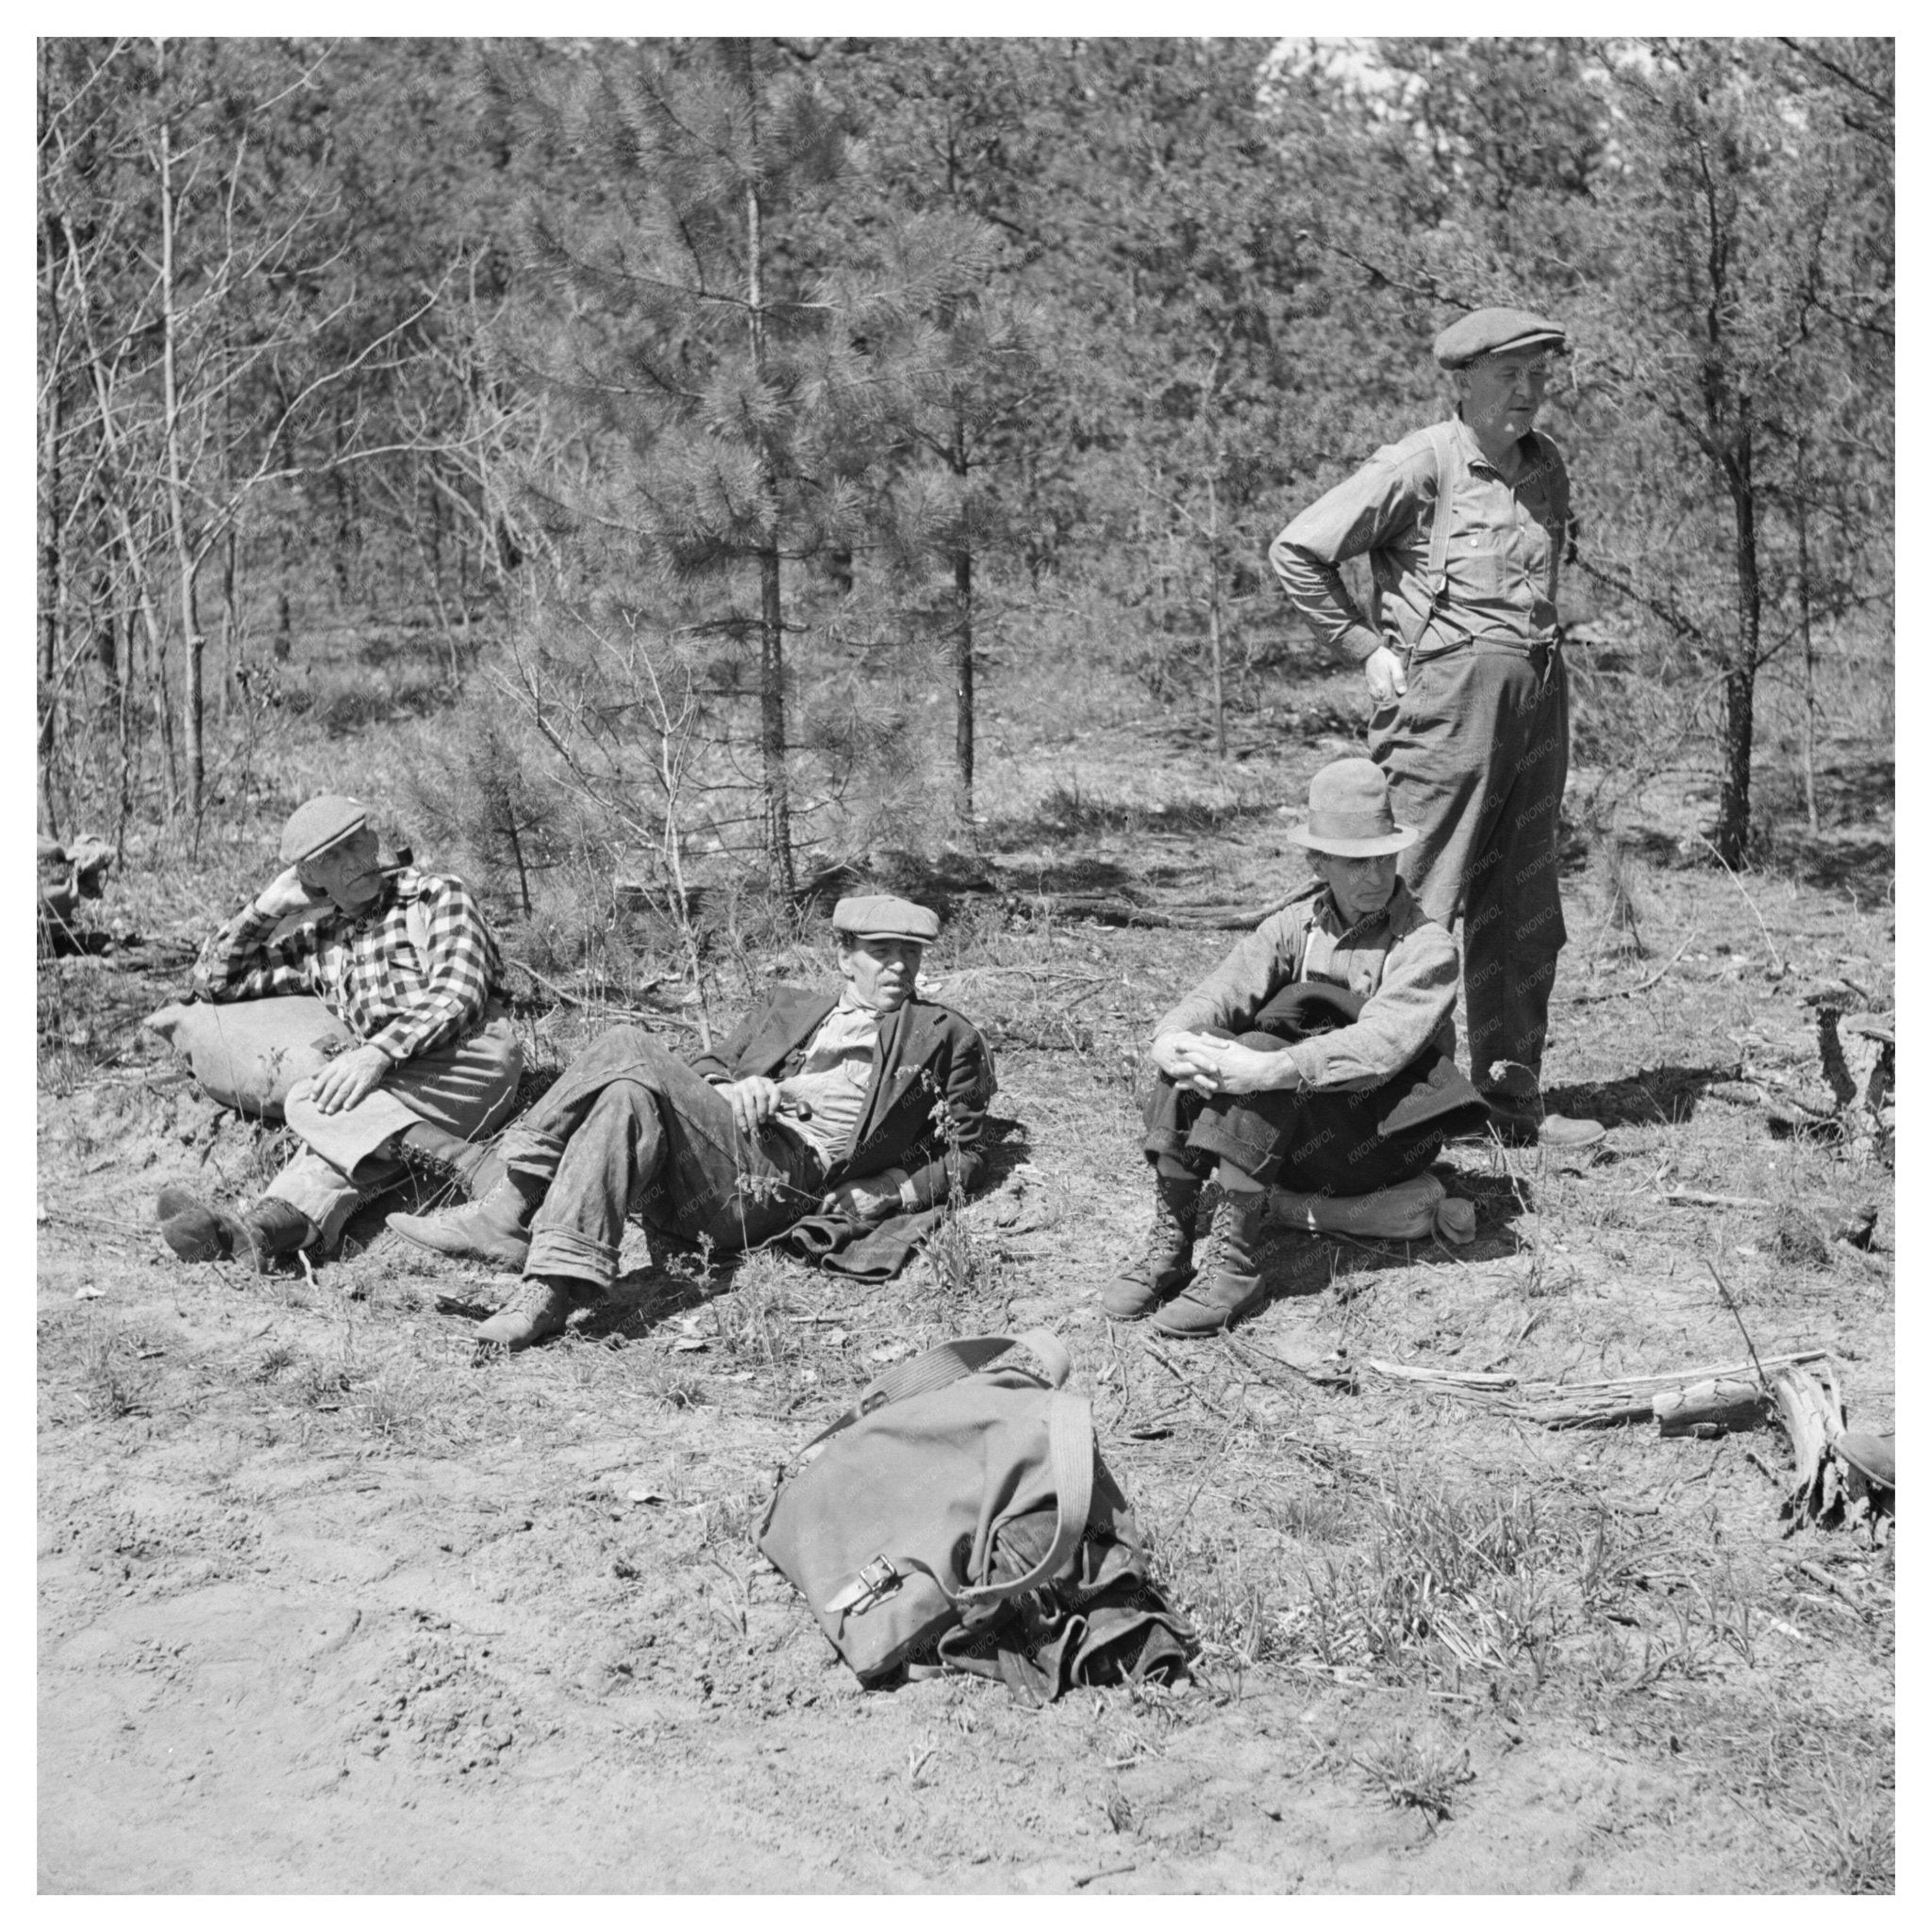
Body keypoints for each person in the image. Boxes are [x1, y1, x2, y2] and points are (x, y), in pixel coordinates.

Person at [1270, 306, 1604, 1149]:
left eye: (1538, 375)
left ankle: (1504, 1101)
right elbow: (1297, 549)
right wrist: (1361, 646)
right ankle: (1383, 1099)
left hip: (1535, 699)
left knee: (1523, 900)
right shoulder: (1420, 463)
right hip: (1445, 709)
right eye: (1508, 376)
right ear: (1463, 381)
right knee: (1409, 901)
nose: (1527, 393)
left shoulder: (1545, 466)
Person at [388, 895, 996, 1350]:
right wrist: (731, 1087)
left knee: (627, 1042)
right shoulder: (792, 1009)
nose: (898, 968)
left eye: (909, 954)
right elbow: (707, 1066)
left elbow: (968, 1153)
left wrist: (889, 1192)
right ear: (844, 957)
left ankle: (508, 1206)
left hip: (783, 1180)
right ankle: (548, 1290)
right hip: (702, 1177)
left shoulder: (941, 1035)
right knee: (626, 1092)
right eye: (881, 953)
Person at [1105, 758, 1489, 1338]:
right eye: (1357, 862)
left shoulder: (1426, 946)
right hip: (1310, 1127)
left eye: (1385, 858)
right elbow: (1223, 989)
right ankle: (1174, 1243)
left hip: (1384, 1139)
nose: (1376, 877)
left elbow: (1381, 1045)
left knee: (1256, 1050)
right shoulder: (1296, 927)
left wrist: (1270, 1065)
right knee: (1195, 1051)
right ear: (1319, 862)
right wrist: (1171, 1039)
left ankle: (1232, 1268)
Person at [156, 794, 521, 1270]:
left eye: (358, 843)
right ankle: (255, 1233)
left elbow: (460, 993)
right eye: (333, 857)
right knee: (333, 1132)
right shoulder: (320, 941)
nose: (356, 862)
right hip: (398, 1092)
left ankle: (469, 1164)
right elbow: (214, 982)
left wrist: (374, 1055)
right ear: (309, 877)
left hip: (470, 1059)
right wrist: (267, 908)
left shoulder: (434, 894)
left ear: (374, 838)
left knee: (309, 1101)